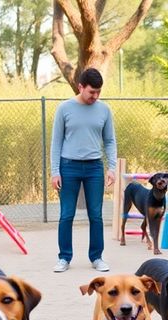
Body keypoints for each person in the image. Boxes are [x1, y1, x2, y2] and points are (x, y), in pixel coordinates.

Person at [50, 68, 117, 273]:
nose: (95, 96)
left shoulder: (104, 110)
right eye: (91, 92)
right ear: (80, 87)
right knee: (66, 214)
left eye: (98, 92)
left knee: (96, 215)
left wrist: (111, 168)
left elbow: (110, 140)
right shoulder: (64, 109)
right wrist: (55, 171)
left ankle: (96, 257)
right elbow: (56, 142)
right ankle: (64, 258)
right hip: (68, 166)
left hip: (94, 167)